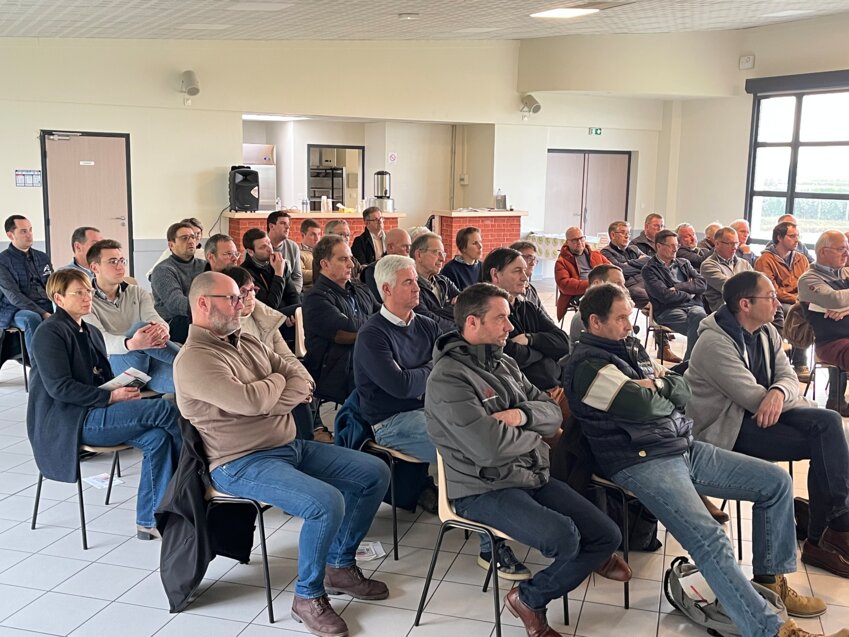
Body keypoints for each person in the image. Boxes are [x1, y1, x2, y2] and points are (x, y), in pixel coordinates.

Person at [563, 283, 840, 637]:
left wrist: (658, 387)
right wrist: (659, 388)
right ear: (594, 322)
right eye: (620, 319)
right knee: (709, 538)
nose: (629, 325)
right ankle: (773, 631)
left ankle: (769, 586)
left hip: (678, 444)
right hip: (640, 460)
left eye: (628, 317)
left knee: (776, 483)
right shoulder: (587, 365)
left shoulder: (628, 347)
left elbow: (682, 387)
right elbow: (643, 404)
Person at [174, 272, 390, 637]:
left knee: (374, 472)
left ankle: (338, 565)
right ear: (202, 303)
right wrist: (273, 393)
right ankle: (307, 596)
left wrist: (268, 398)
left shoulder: (245, 340)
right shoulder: (194, 359)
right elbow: (252, 400)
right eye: (231, 298)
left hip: (289, 445)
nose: (242, 304)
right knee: (325, 503)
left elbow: (303, 378)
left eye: (241, 296)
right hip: (240, 462)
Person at [426, 283, 629, 637]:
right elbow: (488, 449)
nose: (510, 327)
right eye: (501, 318)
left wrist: (520, 418)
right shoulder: (448, 379)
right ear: (472, 323)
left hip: (530, 475)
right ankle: (536, 600)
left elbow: (553, 411)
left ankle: (528, 597)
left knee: (607, 535)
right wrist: (536, 432)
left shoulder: (503, 361)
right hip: (482, 488)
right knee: (565, 538)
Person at [687, 270, 849, 579]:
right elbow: (751, 399)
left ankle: (830, 529)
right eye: (770, 297)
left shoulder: (766, 332)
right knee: (826, 442)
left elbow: (787, 376)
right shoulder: (713, 342)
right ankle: (827, 534)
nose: (778, 303)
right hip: (726, 429)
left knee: (829, 424)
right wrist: (775, 394)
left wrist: (778, 392)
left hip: (764, 415)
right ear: (745, 304)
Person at [27, 268, 181, 540]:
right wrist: (110, 396)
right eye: (78, 292)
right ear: (59, 298)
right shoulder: (48, 332)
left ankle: (150, 520)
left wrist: (123, 385)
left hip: (97, 409)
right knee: (167, 409)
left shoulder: (91, 331)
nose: (87, 297)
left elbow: (103, 377)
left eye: (88, 291)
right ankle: (193, 485)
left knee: (158, 438)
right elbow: (59, 387)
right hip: (71, 420)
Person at [354, 255, 439, 463]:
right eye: (408, 282)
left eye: (416, 281)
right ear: (387, 289)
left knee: (480, 431)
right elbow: (402, 387)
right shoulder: (372, 335)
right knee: (461, 446)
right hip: (391, 421)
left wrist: (423, 372)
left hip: (430, 408)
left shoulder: (427, 325)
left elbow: (450, 366)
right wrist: (434, 366)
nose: (417, 288)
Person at [222, 265, 318, 441]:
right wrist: (291, 387)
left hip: (278, 379)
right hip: (259, 390)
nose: (250, 296)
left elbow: (286, 356)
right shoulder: (226, 329)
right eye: (244, 292)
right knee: (299, 403)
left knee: (306, 393)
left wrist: (305, 380)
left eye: (252, 290)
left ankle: (306, 443)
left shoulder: (264, 318)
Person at [484, 247, 571, 420]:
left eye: (525, 271)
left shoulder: (528, 307)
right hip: (523, 399)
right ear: (495, 275)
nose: (525, 277)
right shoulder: (485, 312)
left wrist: (530, 339)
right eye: (517, 271)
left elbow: (564, 343)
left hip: (557, 389)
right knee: (565, 440)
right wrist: (544, 351)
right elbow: (511, 355)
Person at [84, 240, 179, 395]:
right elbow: (101, 341)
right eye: (113, 261)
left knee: (191, 381)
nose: (120, 266)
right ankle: (192, 361)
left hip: (149, 362)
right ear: (95, 267)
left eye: (122, 260)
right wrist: (131, 344)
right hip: (116, 366)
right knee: (141, 327)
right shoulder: (85, 300)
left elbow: (155, 318)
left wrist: (163, 329)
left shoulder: (137, 292)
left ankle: (197, 366)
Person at [302, 235, 378, 406]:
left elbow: (385, 316)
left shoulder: (361, 289)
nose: (351, 264)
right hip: (335, 379)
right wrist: (377, 324)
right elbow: (348, 329)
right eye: (343, 259)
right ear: (325, 264)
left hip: (364, 365)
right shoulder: (315, 298)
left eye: (350, 258)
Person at [799, 230, 849, 414]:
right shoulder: (808, 279)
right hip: (831, 342)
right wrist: (840, 305)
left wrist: (846, 309)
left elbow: (840, 301)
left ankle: (836, 400)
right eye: (841, 249)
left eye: (847, 248)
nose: (846, 253)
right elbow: (834, 299)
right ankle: (835, 400)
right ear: (823, 252)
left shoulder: (845, 272)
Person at [755, 221, 811, 381]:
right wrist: (795, 298)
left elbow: (807, 283)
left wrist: (801, 298)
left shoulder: (801, 259)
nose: (797, 240)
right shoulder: (765, 260)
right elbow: (770, 288)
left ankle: (798, 360)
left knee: (806, 312)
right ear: (779, 237)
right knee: (796, 313)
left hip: (799, 300)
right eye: (792, 236)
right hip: (776, 300)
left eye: (797, 236)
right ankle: (794, 362)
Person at [642, 229, 707, 361]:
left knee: (699, 317)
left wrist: (679, 287)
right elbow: (665, 296)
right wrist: (690, 294)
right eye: (671, 246)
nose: (675, 249)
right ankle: (690, 365)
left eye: (677, 245)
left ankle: (687, 365)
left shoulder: (684, 263)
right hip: (667, 310)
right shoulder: (649, 269)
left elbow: (702, 284)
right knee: (702, 327)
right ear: (659, 246)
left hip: (692, 306)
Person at [0, 214, 54, 352]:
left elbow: (53, 284)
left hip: (45, 303)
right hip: (15, 309)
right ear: (10, 235)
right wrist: (43, 313)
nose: (29, 235)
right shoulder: (3, 261)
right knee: (32, 318)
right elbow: (14, 296)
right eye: (23, 231)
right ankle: (38, 365)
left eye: (30, 230)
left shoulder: (42, 257)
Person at [150, 221, 206, 343]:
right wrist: (210, 307)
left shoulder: (204, 265)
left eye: (193, 237)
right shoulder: (163, 270)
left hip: (199, 316)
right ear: (171, 245)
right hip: (173, 324)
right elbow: (176, 304)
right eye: (184, 238)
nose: (191, 241)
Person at [241, 228, 300, 323]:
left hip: (286, 315)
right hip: (266, 320)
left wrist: (296, 315)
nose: (269, 248)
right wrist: (278, 274)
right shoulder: (246, 273)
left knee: (306, 307)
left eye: (269, 243)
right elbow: (269, 307)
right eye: (263, 247)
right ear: (251, 252)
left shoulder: (279, 263)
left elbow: (292, 294)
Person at [554, 226, 610, 321]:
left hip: (601, 288)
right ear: (567, 242)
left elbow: (612, 269)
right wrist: (592, 284)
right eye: (575, 240)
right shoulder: (562, 262)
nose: (579, 242)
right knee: (603, 302)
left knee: (619, 297)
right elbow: (564, 285)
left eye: (581, 238)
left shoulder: (596, 255)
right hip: (578, 294)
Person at [411, 232, 461, 332]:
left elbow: (468, 306)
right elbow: (427, 321)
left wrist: (436, 312)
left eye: (443, 253)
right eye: (436, 252)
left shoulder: (444, 281)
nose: (442, 259)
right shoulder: (411, 286)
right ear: (419, 255)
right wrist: (460, 328)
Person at [600, 220, 651, 309]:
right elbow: (620, 271)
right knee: (637, 293)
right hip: (628, 286)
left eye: (628, 233)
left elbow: (650, 261)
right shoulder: (606, 252)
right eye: (623, 233)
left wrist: (629, 263)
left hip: (646, 281)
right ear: (612, 235)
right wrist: (640, 265)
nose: (627, 236)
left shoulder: (634, 248)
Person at [701, 226, 752, 311]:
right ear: (717, 244)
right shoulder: (708, 265)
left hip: (745, 305)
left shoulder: (744, 263)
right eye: (730, 243)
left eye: (736, 243)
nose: (735, 247)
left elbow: (756, 283)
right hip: (724, 309)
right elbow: (730, 287)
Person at [360, 227, 411, 300]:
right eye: (404, 246)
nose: (408, 250)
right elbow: (377, 302)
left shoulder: (410, 267)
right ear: (390, 247)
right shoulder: (373, 270)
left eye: (409, 246)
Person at [510, 240, 554, 320]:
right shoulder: (510, 290)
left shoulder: (530, 289)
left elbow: (548, 320)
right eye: (529, 258)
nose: (533, 263)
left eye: (534, 259)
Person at [267, 210, 304, 294]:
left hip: (290, 295)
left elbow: (297, 277)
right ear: (271, 226)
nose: (288, 227)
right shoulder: (258, 246)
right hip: (268, 296)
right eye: (283, 223)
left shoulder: (293, 246)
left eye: (288, 224)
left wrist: (293, 295)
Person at [440, 226, 483, 290]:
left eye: (480, 242)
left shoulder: (483, 267)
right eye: (474, 243)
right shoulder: (450, 270)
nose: (480, 246)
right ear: (463, 248)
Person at [299, 219, 322, 291]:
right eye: (313, 234)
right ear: (303, 235)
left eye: (319, 234)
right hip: (310, 290)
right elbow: (301, 274)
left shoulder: (324, 251)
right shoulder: (298, 253)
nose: (317, 238)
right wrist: (325, 273)